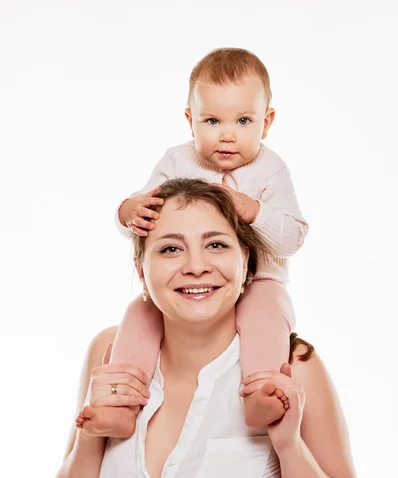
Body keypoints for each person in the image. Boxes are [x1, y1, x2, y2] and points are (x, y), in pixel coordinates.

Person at [55, 179, 367, 478]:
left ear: (247, 264)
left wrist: (289, 446)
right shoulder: (109, 352)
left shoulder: (291, 368)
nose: (196, 265)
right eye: (170, 248)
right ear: (141, 271)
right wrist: (89, 432)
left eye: (216, 245)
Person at [104, 47, 308, 437]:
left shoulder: (271, 170)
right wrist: (128, 210)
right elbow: (143, 226)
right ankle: (121, 402)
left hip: (259, 280)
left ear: (266, 123)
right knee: (139, 315)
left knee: (268, 313)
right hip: (189, 286)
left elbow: (293, 238)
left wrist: (254, 211)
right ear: (190, 120)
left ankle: (260, 391)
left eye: (243, 120)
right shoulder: (176, 161)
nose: (227, 135)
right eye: (212, 120)